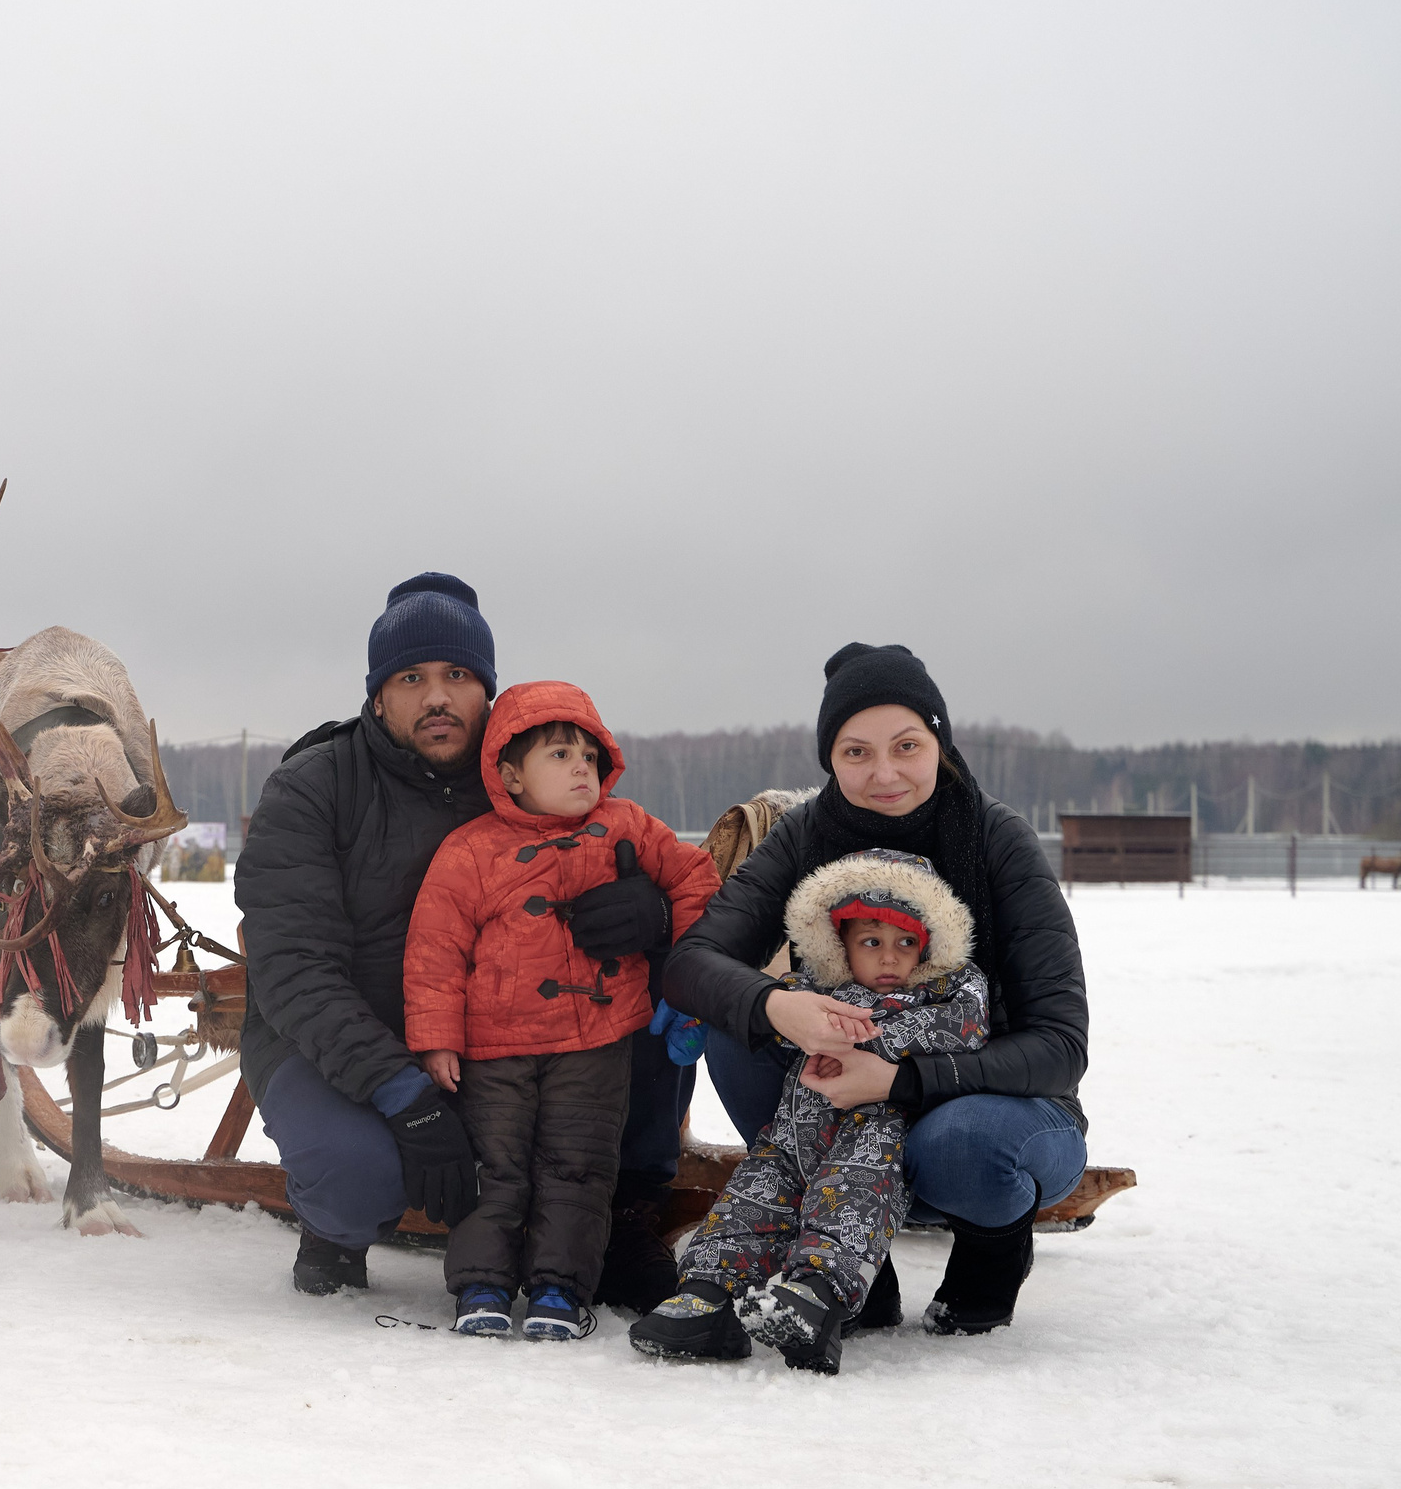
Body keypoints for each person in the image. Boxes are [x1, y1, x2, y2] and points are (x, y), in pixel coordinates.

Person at [234, 573, 688, 1298]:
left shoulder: (531, 776)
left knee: (662, 978)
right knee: (358, 1175)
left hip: (509, 1042)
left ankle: (627, 1204)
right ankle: (336, 1224)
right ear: (378, 694)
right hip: (342, 1045)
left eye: (457, 675)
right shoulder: (314, 787)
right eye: (411, 677)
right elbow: (293, 969)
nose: (437, 696)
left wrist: (653, 916)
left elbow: (664, 866)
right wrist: (400, 1090)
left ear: (488, 689)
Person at [664, 643, 1088, 1335]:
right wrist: (778, 1004)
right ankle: (856, 1274)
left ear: (939, 743)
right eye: (856, 752)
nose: (884, 772)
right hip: (844, 1119)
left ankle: (992, 1256)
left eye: (906, 745)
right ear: (830, 758)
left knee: (959, 1139)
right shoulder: (806, 836)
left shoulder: (996, 839)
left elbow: (1060, 1046)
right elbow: (693, 962)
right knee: (737, 1035)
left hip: (995, 1111)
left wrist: (899, 1081)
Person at [400, 684, 719, 1340]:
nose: (582, 767)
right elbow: (434, 949)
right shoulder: (470, 850)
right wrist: (436, 1037)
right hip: (495, 1050)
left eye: (590, 756)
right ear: (511, 775)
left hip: (595, 1044)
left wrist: (688, 972)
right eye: (561, 753)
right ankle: (482, 1283)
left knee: (580, 1166)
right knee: (496, 1166)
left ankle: (559, 1288)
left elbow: (697, 880)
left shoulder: (628, 825)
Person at [633, 849, 985, 1372]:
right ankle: (705, 1294)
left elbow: (966, 1025)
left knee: (850, 1202)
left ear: (930, 944)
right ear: (840, 944)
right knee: (749, 1201)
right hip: (793, 1133)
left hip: (875, 1133)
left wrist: (862, 1037)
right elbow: (767, 1005)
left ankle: (816, 1296)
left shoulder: (946, 988)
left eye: (905, 943)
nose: (889, 959)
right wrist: (716, 1007)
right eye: (871, 942)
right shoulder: (815, 988)